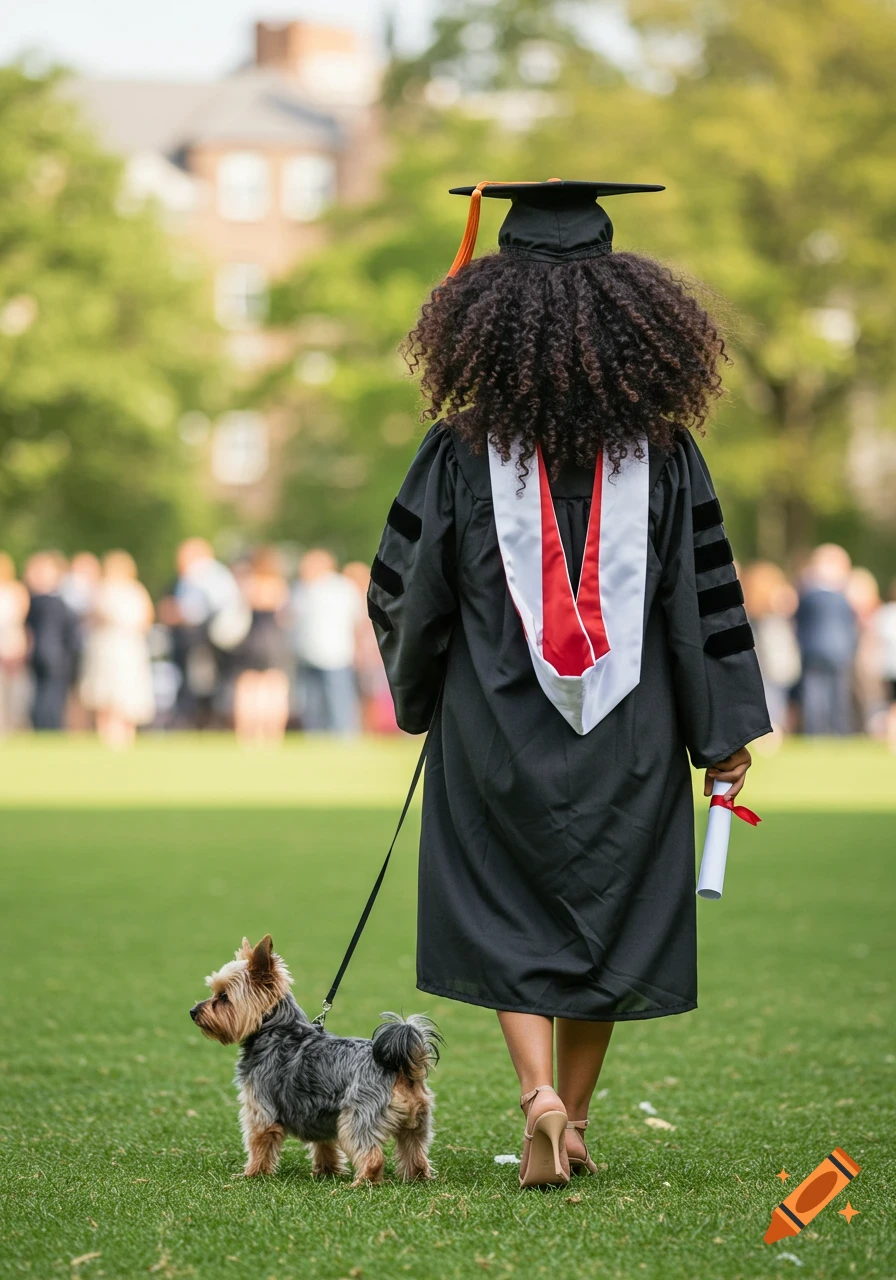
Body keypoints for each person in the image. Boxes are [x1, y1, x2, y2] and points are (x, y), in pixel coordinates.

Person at [367, 179, 771, 1187]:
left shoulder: (457, 449)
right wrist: (718, 727)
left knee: (502, 896)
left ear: (488, 315)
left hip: (491, 720)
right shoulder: (666, 453)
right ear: (631, 314)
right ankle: (579, 1118)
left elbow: (405, 593)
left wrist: (419, 689)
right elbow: (700, 599)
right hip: (630, 728)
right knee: (613, 901)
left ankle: (533, 1094)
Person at [80, 551, 155, 748]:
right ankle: (107, 733)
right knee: (107, 691)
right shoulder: (102, 591)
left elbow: (146, 620)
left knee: (126, 689)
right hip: (107, 645)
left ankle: (125, 733)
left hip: (127, 646)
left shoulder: (133, 590)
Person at [291, 550, 362, 734]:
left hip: (335, 652)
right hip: (307, 652)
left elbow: (356, 618)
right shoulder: (302, 588)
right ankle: (315, 733)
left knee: (338, 697)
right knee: (311, 700)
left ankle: (343, 733)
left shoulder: (340, 587)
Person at [795, 543, 858, 736]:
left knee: (815, 693)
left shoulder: (808, 595)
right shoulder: (843, 597)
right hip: (840, 651)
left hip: (813, 650)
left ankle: (815, 731)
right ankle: (837, 731)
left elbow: (799, 621)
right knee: (836, 694)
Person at [231, 547, 291, 744]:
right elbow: (285, 616)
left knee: (248, 688)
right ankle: (273, 733)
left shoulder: (249, 583)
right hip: (274, 640)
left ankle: (247, 733)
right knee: (274, 688)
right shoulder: (279, 585)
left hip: (252, 639)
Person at [741, 561, 801, 739]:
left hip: (760, 656)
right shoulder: (777, 601)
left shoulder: (749, 600)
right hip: (774, 656)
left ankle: (766, 728)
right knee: (774, 692)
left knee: (766, 690)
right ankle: (774, 726)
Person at [24, 551, 80, 731]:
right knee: (49, 696)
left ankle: (47, 726)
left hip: (49, 654)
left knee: (48, 694)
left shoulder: (43, 602)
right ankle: (47, 727)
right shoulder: (48, 602)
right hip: (52, 655)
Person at [342, 561, 398, 733]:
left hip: (368, 655)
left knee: (370, 695)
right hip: (367, 654)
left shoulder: (367, 600)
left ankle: (372, 729)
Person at [0, 552, 30, 734]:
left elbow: (21, 618)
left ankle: (14, 725)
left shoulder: (16, 590)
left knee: (14, 686)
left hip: (11, 641)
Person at [876, 579, 896, 752]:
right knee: (891, 705)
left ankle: (892, 739)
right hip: (891, 667)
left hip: (889, 667)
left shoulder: (886, 613)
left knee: (891, 705)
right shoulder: (887, 613)